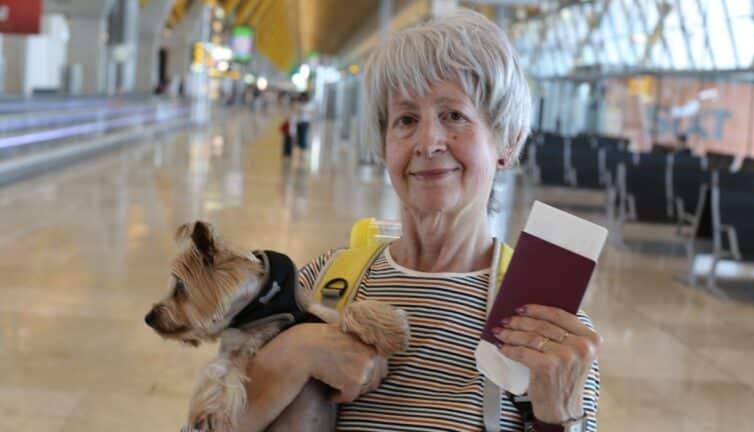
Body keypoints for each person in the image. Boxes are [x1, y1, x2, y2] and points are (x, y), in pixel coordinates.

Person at [236, 9, 602, 432]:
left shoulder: (546, 325)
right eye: (406, 120)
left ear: (508, 140)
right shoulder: (321, 284)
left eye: (454, 116)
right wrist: (291, 355)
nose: (428, 142)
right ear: (384, 143)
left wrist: (560, 418)